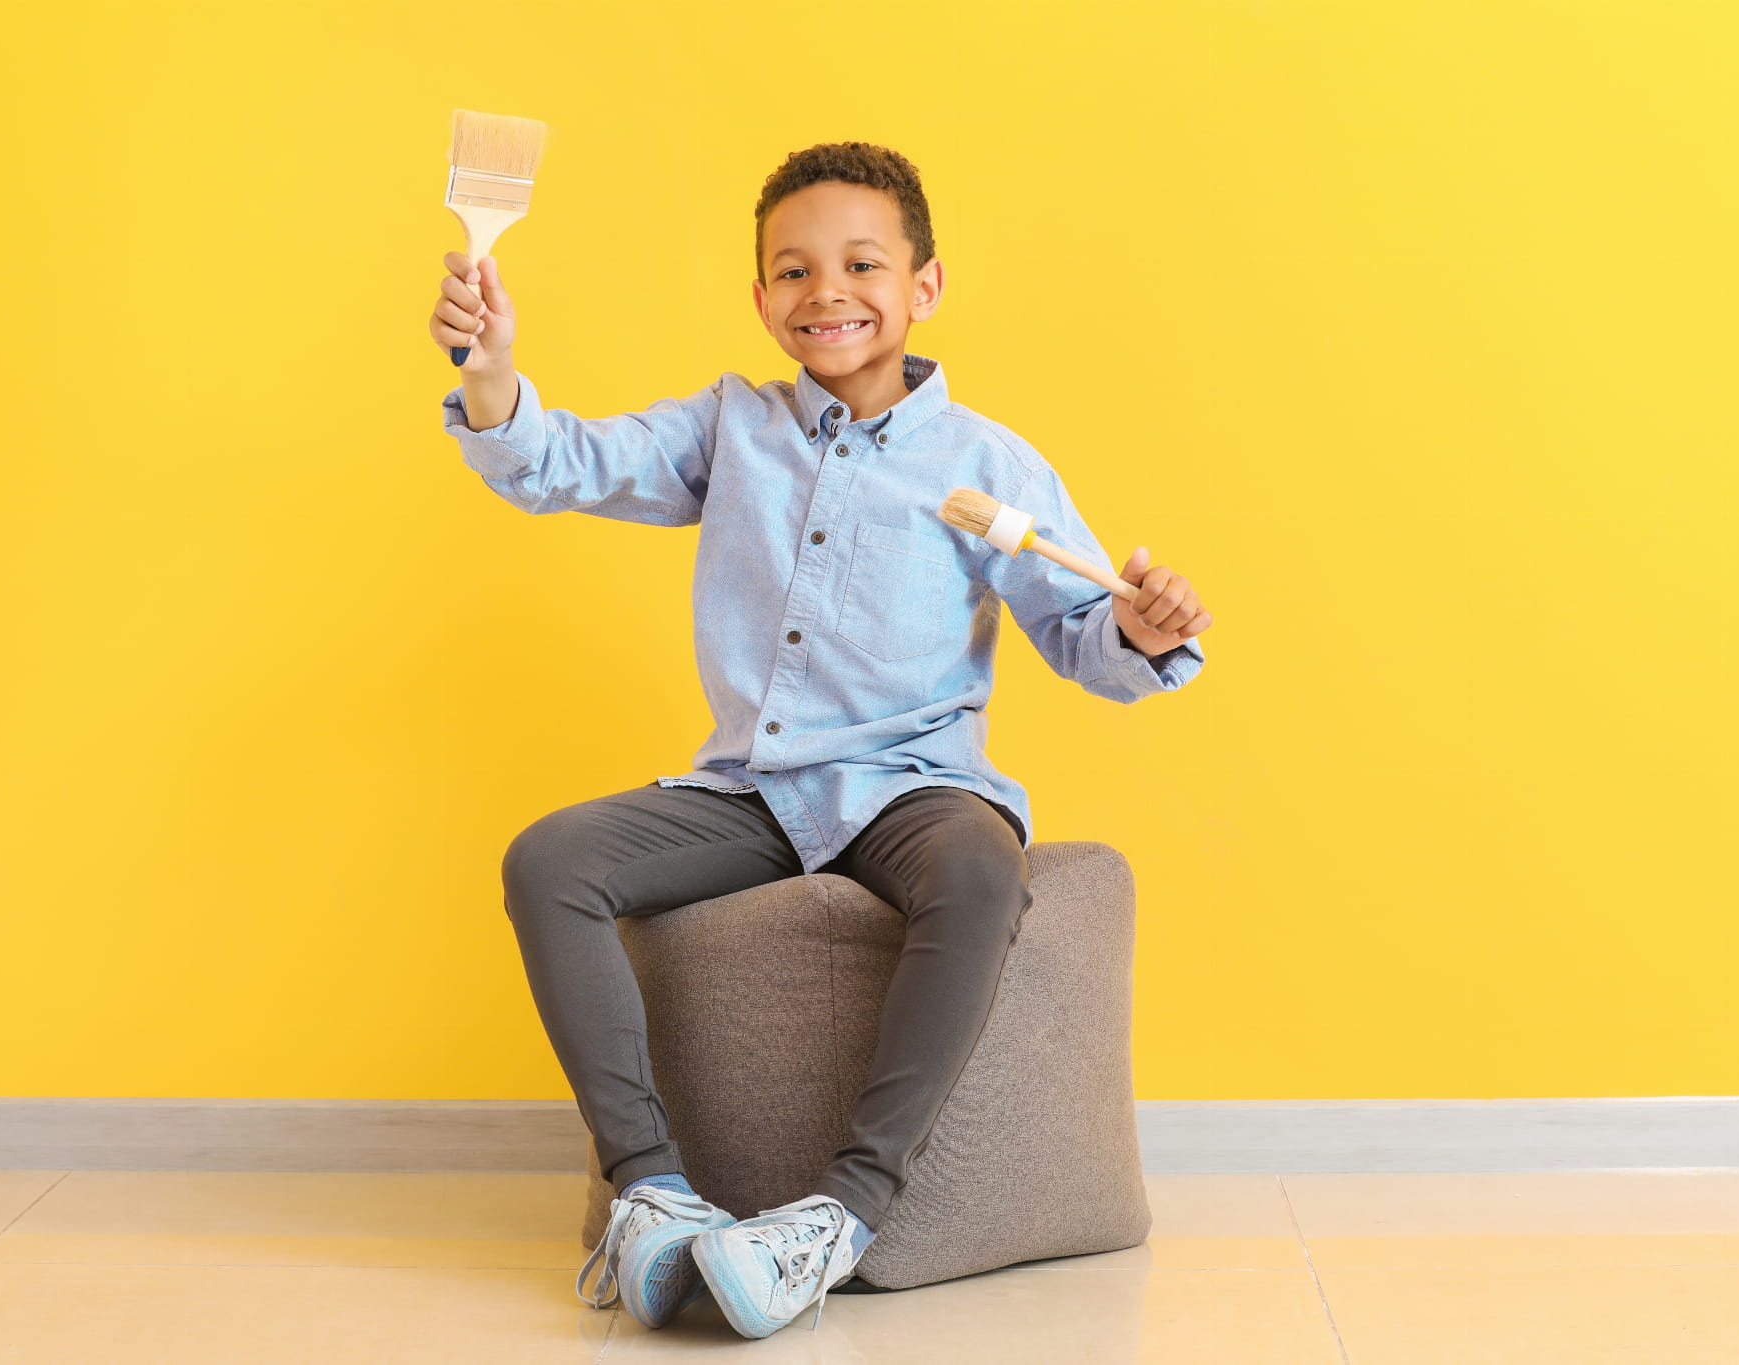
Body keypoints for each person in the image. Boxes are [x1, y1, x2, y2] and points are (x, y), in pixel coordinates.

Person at [429, 141, 1212, 1339]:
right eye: (792, 271)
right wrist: (491, 373)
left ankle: (840, 1214)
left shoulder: (988, 464)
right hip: (754, 789)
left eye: (860, 264)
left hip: (914, 784)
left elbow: (1083, 634)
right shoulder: (728, 428)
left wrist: (1138, 628)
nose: (825, 292)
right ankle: (651, 1196)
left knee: (979, 866)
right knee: (550, 859)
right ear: (760, 299)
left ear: (923, 286)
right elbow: (559, 464)